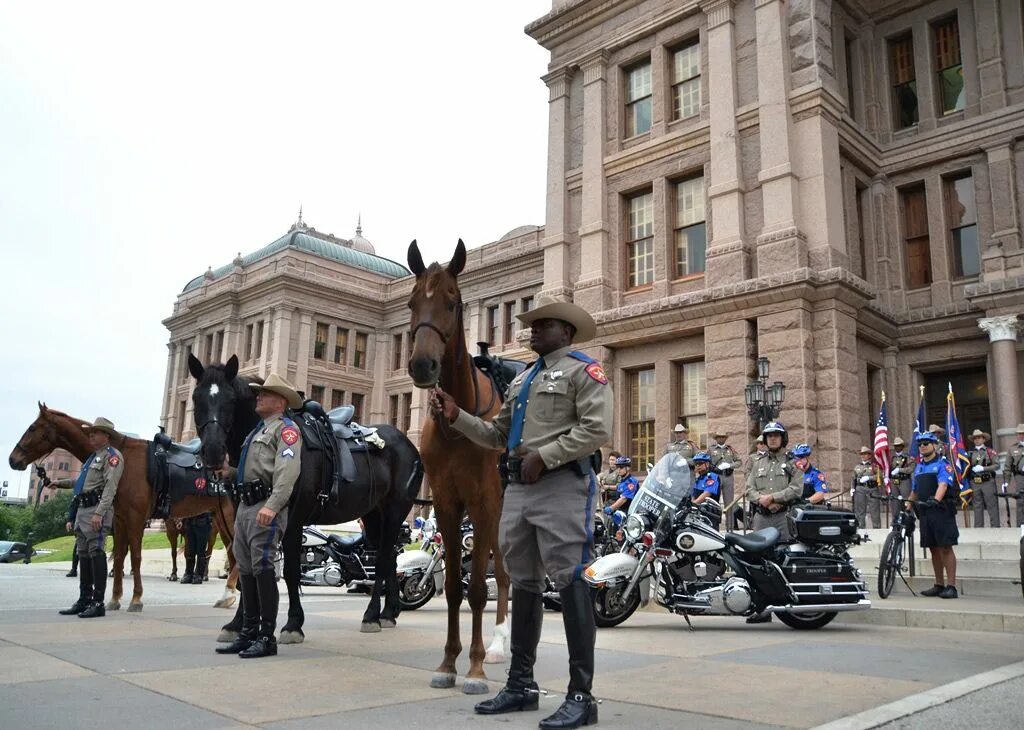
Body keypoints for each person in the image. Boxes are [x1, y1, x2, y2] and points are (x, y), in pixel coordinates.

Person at [431, 297, 612, 729]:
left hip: (562, 486)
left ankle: (581, 696)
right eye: (531, 326)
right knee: (524, 581)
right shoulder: (523, 380)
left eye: (542, 325)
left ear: (565, 332)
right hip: (519, 489)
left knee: (569, 577)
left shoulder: (583, 371)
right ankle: (521, 685)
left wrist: (546, 456)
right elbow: (496, 434)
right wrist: (457, 417)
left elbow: (596, 430)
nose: (531, 331)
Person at [216, 372, 303, 659]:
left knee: (262, 567)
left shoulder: (286, 430)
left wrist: (274, 505)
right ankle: (248, 632)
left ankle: (267, 636)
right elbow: (254, 468)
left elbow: (286, 473)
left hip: (265, 506)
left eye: (264, 394)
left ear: (280, 402)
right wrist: (229, 473)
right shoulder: (257, 431)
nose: (258, 397)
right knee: (248, 569)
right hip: (245, 506)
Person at [50, 417, 124, 619]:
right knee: (83, 553)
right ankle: (84, 599)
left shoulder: (112, 457)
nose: (91, 436)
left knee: (96, 551)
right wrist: (60, 482)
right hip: (83, 509)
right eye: (90, 433)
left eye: (95, 433)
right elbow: (81, 482)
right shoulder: (93, 457)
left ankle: (98, 602)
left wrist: (100, 512)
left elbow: (110, 487)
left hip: (96, 509)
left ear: (106, 436)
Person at [743, 422, 802, 623]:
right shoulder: (758, 462)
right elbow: (748, 488)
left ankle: (788, 605)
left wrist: (775, 498)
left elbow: (797, 489)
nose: (773, 439)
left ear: (782, 438)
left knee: (782, 560)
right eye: (769, 436)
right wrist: (761, 500)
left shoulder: (793, 462)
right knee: (757, 562)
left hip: (782, 518)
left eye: (776, 435)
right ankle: (762, 608)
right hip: (761, 518)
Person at [908, 431, 959, 599]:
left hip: (941, 510)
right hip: (925, 512)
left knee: (945, 547)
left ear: (934, 445)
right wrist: (908, 505)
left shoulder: (943, 464)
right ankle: (939, 584)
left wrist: (935, 500)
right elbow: (914, 490)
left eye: (926, 443)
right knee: (933, 548)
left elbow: (943, 485)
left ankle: (951, 586)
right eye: (920, 444)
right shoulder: (919, 467)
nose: (922, 446)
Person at [709, 430, 741, 527]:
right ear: (716, 439)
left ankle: (730, 526)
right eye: (719, 437)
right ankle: (714, 525)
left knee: (729, 502)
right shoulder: (711, 449)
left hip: (728, 476)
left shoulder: (730, 449)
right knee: (714, 502)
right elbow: (707, 462)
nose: (721, 439)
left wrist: (730, 465)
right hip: (716, 476)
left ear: (725, 438)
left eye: (723, 437)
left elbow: (739, 462)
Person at [967, 429, 999, 527]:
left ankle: (995, 528)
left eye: (979, 438)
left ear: (984, 439)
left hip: (987, 481)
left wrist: (984, 468)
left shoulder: (990, 451)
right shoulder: (970, 453)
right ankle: (978, 528)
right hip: (975, 482)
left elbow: (997, 465)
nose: (977, 440)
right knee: (977, 506)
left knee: (991, 505)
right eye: (975, 438)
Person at [851, 446, 882, 529]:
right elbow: (853, 478)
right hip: (860, 489)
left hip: (872, 488)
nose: (863, 456)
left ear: (869, 455)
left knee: (874, 510)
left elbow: (879, 476)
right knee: (860, 510)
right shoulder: (857, 467)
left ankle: (876, 528)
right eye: (862, 454)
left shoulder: (874, 466)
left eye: (865, 454)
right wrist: (852, 488)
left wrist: (869, 478)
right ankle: (861, 527)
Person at [180, 512, 214, 584]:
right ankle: (189, 574)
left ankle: (199, 575)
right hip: (190, 523)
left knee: (200, 551)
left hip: (203, 523)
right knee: (190, 551)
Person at [1006, 424, 1024, 527]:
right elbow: (1007, 466)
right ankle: (1020, 526)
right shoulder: (1012, 449)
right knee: (1020, 501)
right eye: (1019, 434)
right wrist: (1006, 481)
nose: (1021, 435)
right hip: (1020, 477)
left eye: (1023, 433)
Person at [66, 494, 81, 578]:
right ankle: (74, 569)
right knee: (78, 545)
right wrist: (69, 520)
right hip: (81, 521)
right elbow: (74, 505)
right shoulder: (80, 490)